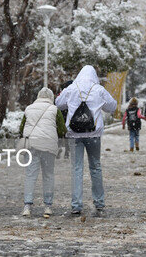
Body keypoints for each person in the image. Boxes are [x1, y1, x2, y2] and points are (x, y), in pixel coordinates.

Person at [56, 65, 117, 215]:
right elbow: (112, 107)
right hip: (93, 134)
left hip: (74, 134)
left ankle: (76, 205)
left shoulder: (71, 88)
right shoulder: (99, 90)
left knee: (76, 168)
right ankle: (99, 202)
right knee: (95, 167)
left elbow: (58, 103)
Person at [20, 87, 66, 218]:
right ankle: (48, 206)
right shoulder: (55, 110)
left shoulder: (29, 109)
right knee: (48, 175)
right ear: (51, 98)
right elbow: (62, 130)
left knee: (30, 175)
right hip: (48, 146)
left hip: (31, 145)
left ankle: (27, 206)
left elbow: (21, 128)